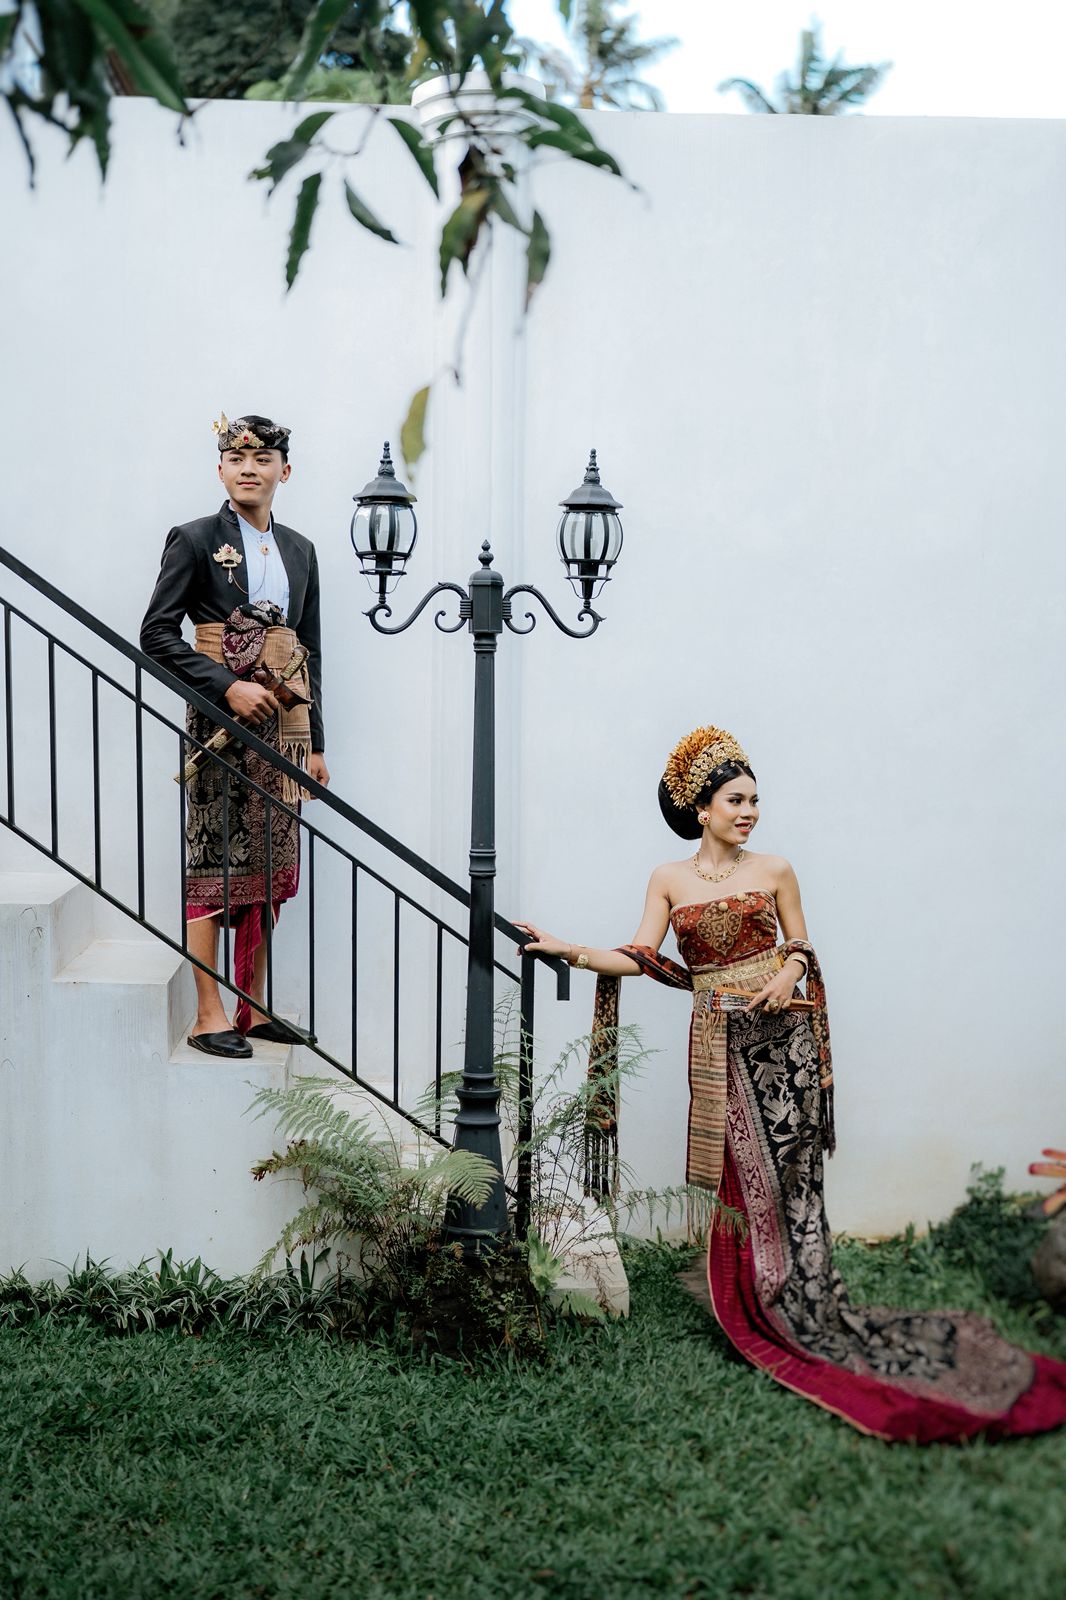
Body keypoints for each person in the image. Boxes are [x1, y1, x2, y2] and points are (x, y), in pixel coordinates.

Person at [517, 723, 1066, 1442]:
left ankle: (800, 1296)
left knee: (795, 1174)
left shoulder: (775, 869)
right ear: (702, 808)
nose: (749, 812)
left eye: (754, 800)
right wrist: (570, 950)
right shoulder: (668, 879)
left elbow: (801, 943)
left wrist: (787, 974)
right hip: (718, 1043)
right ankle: (747, 1293)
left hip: (786, 1040)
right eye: (736, 800)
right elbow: (642, 957)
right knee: (738, 1176)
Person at [141, 413, 329, 1059]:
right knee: (213, 862)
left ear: (285, 470)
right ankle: (208, 1014)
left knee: (273, 863)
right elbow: (156, 634)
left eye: (263, 459)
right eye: (237, 459)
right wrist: (225, 686)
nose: (250, 469)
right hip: (218, 721)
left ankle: (253, 1006)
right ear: (220, 468)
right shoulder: (195, 539)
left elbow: (310, 649)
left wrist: (317, 743)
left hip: (285, 725)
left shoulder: (301, 549)